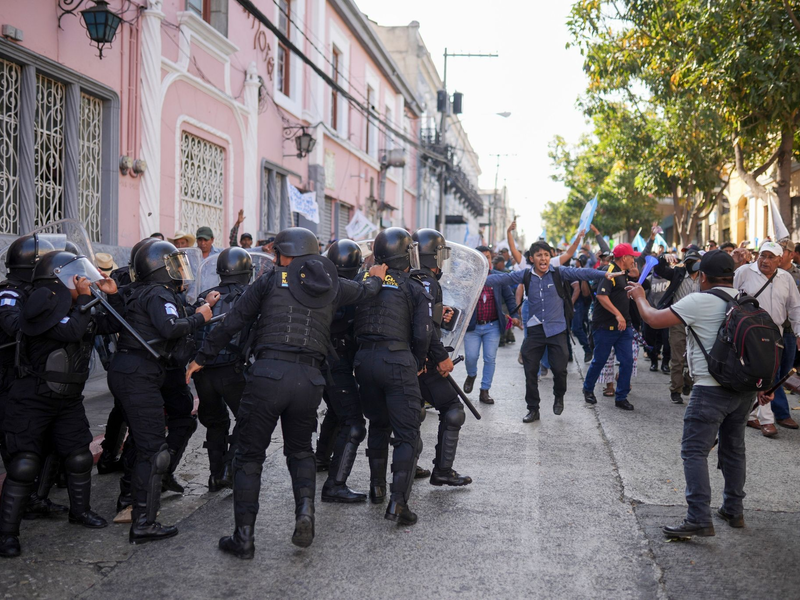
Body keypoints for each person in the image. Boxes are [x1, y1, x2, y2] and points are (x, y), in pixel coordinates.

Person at [186, 227, 387, 557]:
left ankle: (244, 538)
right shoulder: (333, 285)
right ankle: (304, 513)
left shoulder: (268, 281)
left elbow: (233, 322)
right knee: (301, 452)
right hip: (309, 381)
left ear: (285, 255)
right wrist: (377, 278)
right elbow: (366, 292)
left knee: (250, 455)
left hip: (268, 375)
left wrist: (201, 358)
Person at [627, 250, 770, 539]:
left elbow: (654, 319)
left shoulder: (700, 300)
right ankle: (733, 509)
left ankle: (698, 517)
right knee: (734, 449)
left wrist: (640, 296)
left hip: (709, 390)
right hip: (742, 391)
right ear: (731, 274)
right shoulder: (745, 300)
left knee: (694, 451)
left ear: (702, 276)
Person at [0, 251, 121, 557]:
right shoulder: (39, 305)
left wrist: (112, 295)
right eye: (74, 276)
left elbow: (111, 323)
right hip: (32, 398)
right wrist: (82, 301)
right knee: (24, 464)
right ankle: (6, 535)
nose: (81, 281)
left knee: (79, 457)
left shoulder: (78, 305)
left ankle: (79, 512)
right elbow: (69, 330)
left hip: (68, 401)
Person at [108, 240, 217, 544]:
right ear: (159, 268)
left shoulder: (144, 292)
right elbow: (170, 327)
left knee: (145, 442)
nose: (178, 271)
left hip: (133, 370)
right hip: (138, 373)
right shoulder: (158, 293)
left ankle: (133, 504)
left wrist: (198, 307)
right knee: (153, 449)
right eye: (173, 265)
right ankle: (143, 521)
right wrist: (201, 317)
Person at [352, 227, 433, 526]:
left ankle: (377, 488)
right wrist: (418, 361)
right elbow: (424, 332)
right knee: (407, 433)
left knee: (378, 423)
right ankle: (399, 503)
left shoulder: (364, 281)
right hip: (397, 359)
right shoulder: (414, 286)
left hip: (364, 360)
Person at [485, 234, 610, 423]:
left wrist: (604, 273)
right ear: (532, 259)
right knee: (530, 372)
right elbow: (502, 279)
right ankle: (533, 409)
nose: (543, 258)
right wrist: (478, 280)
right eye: (539, 255)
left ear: (550, 257)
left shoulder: (560, 272)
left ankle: (559, 395)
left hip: (557, 330)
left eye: (546, 255)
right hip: (535, 330)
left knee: (560, 370)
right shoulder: (525, 274)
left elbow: (583, 273)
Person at [412, 229, 472, 487]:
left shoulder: (403, 278)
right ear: (435, 256)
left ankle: (403, 466)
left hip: (399, 362)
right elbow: (424, 329)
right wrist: (440, 358)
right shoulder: (430, 283)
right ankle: (443, 471)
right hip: (424, 362)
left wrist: (441, 315)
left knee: (409, 413)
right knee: (453, 410)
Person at [191, 247, 255, 491]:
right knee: (247, 418)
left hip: (203, 372)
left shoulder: (205, 296)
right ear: (247, 272)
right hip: (232, 370)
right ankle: (229, 467)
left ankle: (215, 476)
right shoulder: (250, 297)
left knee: (216, 423)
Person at [318, 239, 370, 502]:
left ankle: (320, 458)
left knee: (338, 413)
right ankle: (334, 485)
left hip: (325, 361)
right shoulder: (348, 289)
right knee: (353, 423)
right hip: (334, 362)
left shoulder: (319, 283)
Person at [734, 241, 800, 437]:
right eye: (763, 255)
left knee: (768, 374)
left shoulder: (786, 278)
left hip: (775, 334)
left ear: (780, 260)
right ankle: (767, 420)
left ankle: (753, 414)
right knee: (754, 373)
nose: (765, 260)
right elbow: (730, 297)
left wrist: (799, 332)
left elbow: (795, 308)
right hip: (748, 332)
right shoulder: (744, 272)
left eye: (771, 257)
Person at [582, 244, 640, 410]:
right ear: (624, 258)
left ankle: (621, 397)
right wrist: (618, 314)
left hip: (624, 328)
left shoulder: (623, 273)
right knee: (600, 360)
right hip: (605, 327)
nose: (634, 260)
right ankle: (587, 389)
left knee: (627, 361)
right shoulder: (610, 272)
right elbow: (601, 296)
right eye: (632, 257)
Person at [463, 246, 519, 405]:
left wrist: (514, 315)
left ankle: (484, 390)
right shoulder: (469, 277)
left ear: (491, 259)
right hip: (472, 328)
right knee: (471, 357)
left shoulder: (498, 278)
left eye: (487, 257)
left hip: (492, 326)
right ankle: (471, 375)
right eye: (481, 256)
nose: (485, 260)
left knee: (490, 358)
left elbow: (509, 298)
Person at [654, 245, 703, 404]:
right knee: (677, 357)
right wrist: (663, 257)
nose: (692, 264)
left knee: (695, 357)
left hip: (698, 323)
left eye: (695, 261)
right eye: (688, 261)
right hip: (678, 320)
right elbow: (660, 270)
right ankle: (675, 390)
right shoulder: (677, 273)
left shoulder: (705, 277)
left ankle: (688, 382)